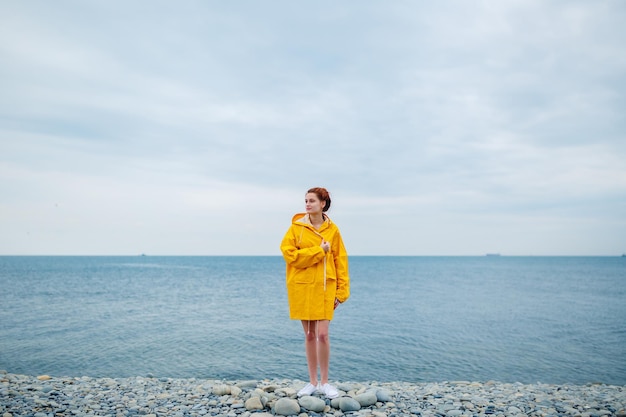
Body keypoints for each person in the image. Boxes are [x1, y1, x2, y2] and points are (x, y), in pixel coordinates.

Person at [280, 187, 350, 399]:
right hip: (302, 286)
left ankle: (325, 382)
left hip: (325, 287)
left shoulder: (333, 230)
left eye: (311, 201)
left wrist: (342, 291)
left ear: (323, 203)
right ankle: (312, 382)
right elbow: (290, 256)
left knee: (323, 334)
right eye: (306, 200)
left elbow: (341, 261)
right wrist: (319, 251)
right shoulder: (295, 229)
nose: (307, 204)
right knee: (309, 335)